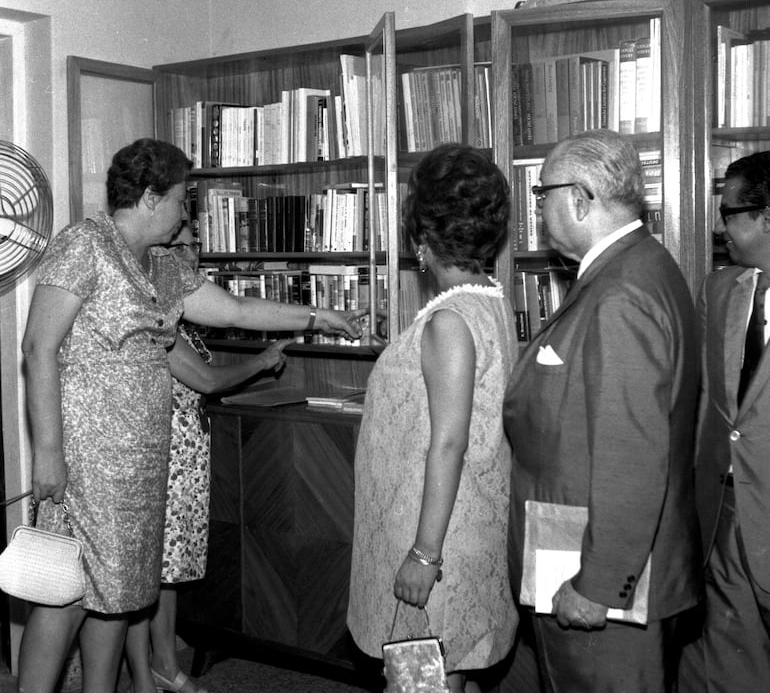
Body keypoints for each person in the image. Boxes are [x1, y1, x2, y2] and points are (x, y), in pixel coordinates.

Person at [18, 137, 361, 693]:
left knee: (117, 597)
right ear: (151, 197)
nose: (186, 212)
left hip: (142, 459)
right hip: (86, 460)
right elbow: (38, 348)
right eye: (181, 199)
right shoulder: (84, 245)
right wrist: (48, 453)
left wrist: (321, 315)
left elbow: (238, 309)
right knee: (69, 593)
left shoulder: (165, 266)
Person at [503, 128, 701, 693]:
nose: (538, 211)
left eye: (543, 196)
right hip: (582, 551)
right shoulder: (631, 269)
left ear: (581, 198)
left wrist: (597, 584)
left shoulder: (620, 295)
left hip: (602, 575)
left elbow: (632, 458)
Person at [347, 144, 518, 693]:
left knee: (416, 684)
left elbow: (448, 443)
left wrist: (423, 554)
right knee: (451, 678)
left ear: (421, 238)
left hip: (433, 538)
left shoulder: (449, 321)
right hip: (464, 530)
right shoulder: (490, 302)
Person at [123, 223, 291, 693]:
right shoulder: (151, 311)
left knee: (168, 572)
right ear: (159, 252)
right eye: (184, 245)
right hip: (164, 455)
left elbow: (233, 316)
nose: (194, 253)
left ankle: (160, 662)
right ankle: (144, 673)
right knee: (146, 573)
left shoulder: (179, 311)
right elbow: (208, 380)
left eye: (196, 243)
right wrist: (261, 362)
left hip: (185, 455)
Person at [677, 151, 770, 693]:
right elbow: (705, 407)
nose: (719, 226)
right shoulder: (718, 291)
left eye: (730, 211)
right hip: (724, 523)